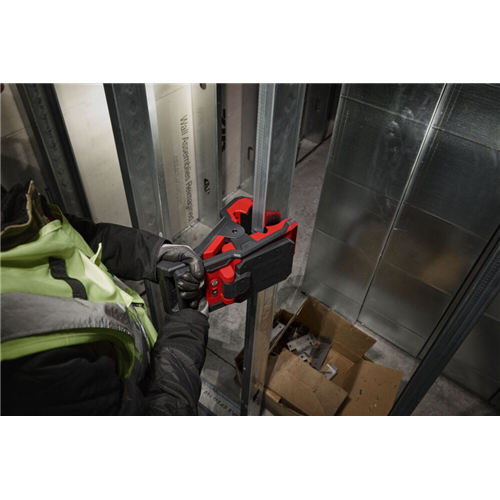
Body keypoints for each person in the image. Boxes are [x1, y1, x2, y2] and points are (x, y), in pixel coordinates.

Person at [1, 181, 209, 415]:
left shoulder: (14, 210)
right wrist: (186, 332)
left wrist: (152, 253)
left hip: (148, 361)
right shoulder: (26, 365)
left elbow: (78, 237)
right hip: (144, 390)